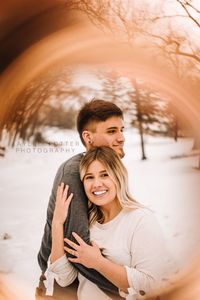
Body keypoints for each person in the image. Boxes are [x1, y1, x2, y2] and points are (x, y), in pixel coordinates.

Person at [44, 146, 175, 299]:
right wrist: (58, 223)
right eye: (89, 177)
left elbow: (150, 285)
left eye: (104, 175)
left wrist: (98, 262)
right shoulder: (86, 223)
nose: (97, 184)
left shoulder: (140, 219)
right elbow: (65, 277)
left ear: (118, 176)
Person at [37, 99, 126, 296]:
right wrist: (127, 289)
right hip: (64, 289)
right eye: (112, 131)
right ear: (88, 137)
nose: (121, 137)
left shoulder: (105, 171)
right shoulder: (74, 172)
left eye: (122, 129)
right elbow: (77, 249)